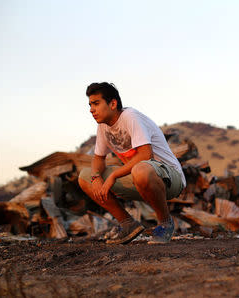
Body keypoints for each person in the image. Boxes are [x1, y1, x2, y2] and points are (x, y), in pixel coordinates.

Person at [78, 82, 186, 244]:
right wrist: (96, 177)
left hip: (170, 178)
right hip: (138, 177)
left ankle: (165, 223)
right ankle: (128, 224)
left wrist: (113, 175)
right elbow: (98, 158)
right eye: (90, 105)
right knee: (85, 177)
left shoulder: (130, 117)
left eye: (96, 103)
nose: (91, 109)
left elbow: (145, 155)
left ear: (113, 104)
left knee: (140, 169)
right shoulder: (103, 127)